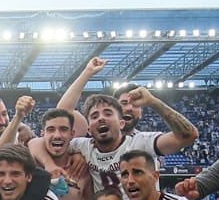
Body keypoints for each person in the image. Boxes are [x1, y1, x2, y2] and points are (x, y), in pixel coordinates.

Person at [58, 58, 198, 189]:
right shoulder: (87, 145)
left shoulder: (143, 142)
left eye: (136, 104)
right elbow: (59, 116)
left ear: (122, 122)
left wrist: (153, 101)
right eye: (124, 103)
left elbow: (188, 136)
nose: (130, 107)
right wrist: (87, 72)